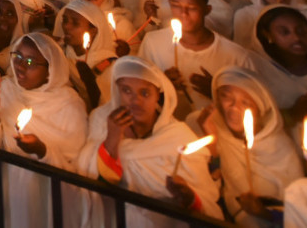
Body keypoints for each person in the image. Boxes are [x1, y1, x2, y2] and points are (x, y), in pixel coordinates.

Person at [76, 55, 224, 227]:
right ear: (117, 90)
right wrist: (112, 138)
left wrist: (188, 196)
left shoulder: (178, 136)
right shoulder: (101, 120)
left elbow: (205, 197)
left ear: (158, 95)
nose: (135, 100)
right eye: (126, 90)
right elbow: (93, 184)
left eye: (145, 93)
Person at [0, 32, 88, 227]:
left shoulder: (68, 105)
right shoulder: (6, 90)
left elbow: (76, 167)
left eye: (31, 61)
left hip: (47, 192)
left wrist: (42, 152)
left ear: (50, 70)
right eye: (17, 57)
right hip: (10, 186)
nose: (20, 66)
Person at [198, 66, 304, 226]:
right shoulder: (212, 128)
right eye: (226, 97)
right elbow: (212, 183)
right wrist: (211, 141)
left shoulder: (280, 148)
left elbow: (299, 211)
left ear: (260, 107)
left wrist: (264, 213)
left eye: (245, 102)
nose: (234, 107)